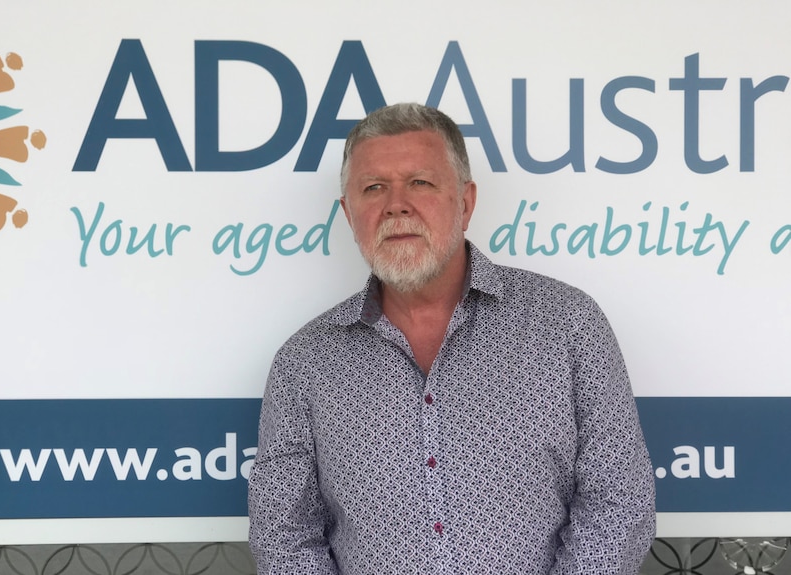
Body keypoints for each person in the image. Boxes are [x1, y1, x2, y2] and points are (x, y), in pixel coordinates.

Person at [247, 103, 656, 575]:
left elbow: (618, 500)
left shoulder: (567, 325)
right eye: (373, 187)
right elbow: (284, 533)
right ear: (348, 213)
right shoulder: (305, 362)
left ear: (465, 201)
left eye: (420, 182)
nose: (396, 203)